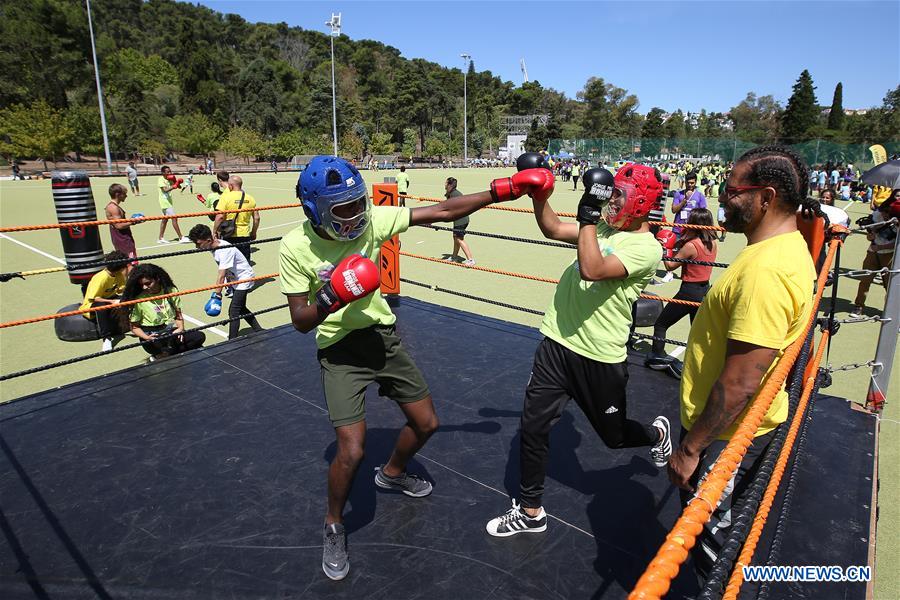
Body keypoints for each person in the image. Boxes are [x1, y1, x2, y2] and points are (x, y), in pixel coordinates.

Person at [278, 155, 554, 580]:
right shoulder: (295, 247)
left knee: (427, 424)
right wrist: (332, 296)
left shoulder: (373, 221)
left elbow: (442, 210)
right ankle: (333, 523)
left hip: (381, 338)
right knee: (351, 450)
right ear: (316, 211)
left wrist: (507, 189)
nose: (354, 218)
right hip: (338, 350)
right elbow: (300, 321)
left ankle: (392, 473)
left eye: (358, 206)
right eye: (343, 211)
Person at [484, 160, 672, 538]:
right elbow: (553, 227)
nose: (612, 204)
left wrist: (588, 217)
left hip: (599, 358)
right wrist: (541, 196)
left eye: (619, 197)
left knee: (614, 436)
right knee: (533, 428)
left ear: (641, 203)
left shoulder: (645, 248)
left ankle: (655, 435)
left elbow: (593, 269)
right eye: (612, 195)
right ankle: (531, 510)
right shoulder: (602, 226)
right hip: (557, 343)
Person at [667, 145, 816, 584]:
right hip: (734, 430)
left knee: (712, 557)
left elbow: (741, 380)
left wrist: (692, 449)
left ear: (766, 197)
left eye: (731, 191)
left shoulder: (765, 271)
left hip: (724, 437)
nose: (721, 199)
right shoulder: (781, 248)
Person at [645, 208, 719, 376]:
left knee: (661, 324)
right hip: (703, 290)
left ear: (695, 224)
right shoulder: (713, 243)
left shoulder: (692, 246)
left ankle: (656, 357)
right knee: (697, 332)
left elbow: (670, 266)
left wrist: (665, 248)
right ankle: (698, 367)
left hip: (688, 291)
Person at [188, 224, 264, 340]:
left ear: (208, 240)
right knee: (241, 308)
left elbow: (221, 274)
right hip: (235, 279)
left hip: (244, 277)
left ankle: (232, 340)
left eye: (198, 243)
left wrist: (216, 295)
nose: (197, 247)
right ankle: (258, 329)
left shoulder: (224, 249)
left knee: (234, 311)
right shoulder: (212, 246)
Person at [121, 263, 206, 360]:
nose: (144, 287)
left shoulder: (170, 291)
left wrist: (180, 329)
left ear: (157, 279)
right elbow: (134, 327)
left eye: (148, 283)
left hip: (168, 331)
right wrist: (147, 337)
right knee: (167, 345)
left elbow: (178, 315)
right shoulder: (139, 299)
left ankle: (166, 354)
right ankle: (166, 352)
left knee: (199, 337)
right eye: (142, 285)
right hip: (152, 336)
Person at [852, 192, 899, 315]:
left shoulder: (897, 220)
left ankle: (890, 311)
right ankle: (859, 306)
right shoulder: (877, 216)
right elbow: (869, 236)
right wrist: (871, 235)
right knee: (865, 280)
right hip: (873, 253)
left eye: (888, 213)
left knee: (890, 286)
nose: (885, 216)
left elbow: (897, 244)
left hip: (890, 255)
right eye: (883, 212)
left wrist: (880, 247)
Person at [79, 251, 129, 352]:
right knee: (101, 305)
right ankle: (106, 338)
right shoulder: (101, 278)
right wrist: (112, 302)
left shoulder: (118, 274)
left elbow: (120, 289)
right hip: (92, 304)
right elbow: (94, 298)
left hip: (110, 298)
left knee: (130, 297)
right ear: (120, 267)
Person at [214, 175, 259, 263]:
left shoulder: (225, 197)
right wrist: (254, 232)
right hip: (244, 234)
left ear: (230, 186)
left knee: (229, 261)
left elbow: (220, 216)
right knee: (244, 262)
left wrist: (215, 231)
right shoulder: (250, 198)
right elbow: (257, 218)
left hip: (229, 234)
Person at [443, 177, 475, 266]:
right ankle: (454, 257)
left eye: (446, 183)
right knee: (455, 237)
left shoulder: (454, 194)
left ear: (449, 185)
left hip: (461, 220)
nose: (444, 184)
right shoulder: (452, 193)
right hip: (459, 219)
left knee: (459, 239)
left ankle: (470, 259)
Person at [105, 183, 138, 262]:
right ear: (117, 194)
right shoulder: (113, 208)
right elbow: (119, 226)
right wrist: (134, 221)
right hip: (123, 240)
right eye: (124, 194)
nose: (126, 196)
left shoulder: (112, 206)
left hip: (121, 239)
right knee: (131, 263)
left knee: (126, 263)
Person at [156, 166, 189, 244]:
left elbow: (178, 187)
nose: (170, 173)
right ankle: (181, 237)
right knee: (174, 218)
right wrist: (174, 186)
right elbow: (165, 190)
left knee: (165, 220)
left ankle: (160, 238)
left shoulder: (169, 179)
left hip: (168, 201)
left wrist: (177, 182)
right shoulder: (161, 180)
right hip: (164, 202)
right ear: (163, 173)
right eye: (168, 172)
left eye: (170, 171)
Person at [671, 171, 708, 238]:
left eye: (692, 183)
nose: (690, 185)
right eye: (688, 183)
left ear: (696, 182)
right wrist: (684, 201)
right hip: (678, 229)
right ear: (685, 182)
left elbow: (703, 214)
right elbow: (674, 210)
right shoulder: (678, 194)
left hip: (693, 230)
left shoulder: (700, 196)